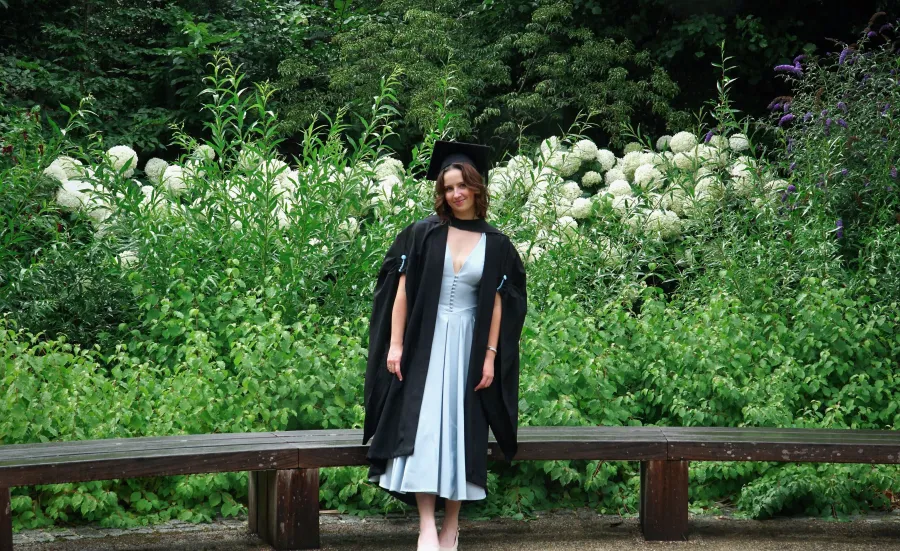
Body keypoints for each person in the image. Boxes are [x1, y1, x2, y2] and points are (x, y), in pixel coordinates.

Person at [363, 140, 528, 551]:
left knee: (461, 432)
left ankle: (452, 524)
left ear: (477, 188)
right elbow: (399, 292)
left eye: (462, 186)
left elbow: (498, 306)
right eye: (448, 187)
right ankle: (426, 527)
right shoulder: (423, 234)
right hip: (425, 343)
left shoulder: (498, 244)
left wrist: (490, 356)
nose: (456, 194)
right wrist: (394, 346)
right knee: (423, 430)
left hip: (469, 350)